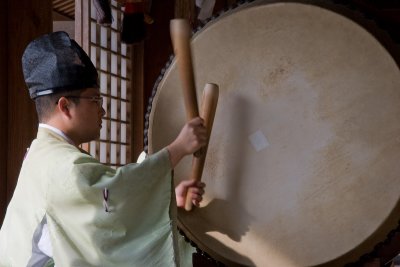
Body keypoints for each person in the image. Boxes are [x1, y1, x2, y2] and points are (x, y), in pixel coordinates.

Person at [0, 31, 206, 267]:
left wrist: (163, 196)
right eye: (95, 100)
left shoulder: (45, 153)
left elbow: (104, 206)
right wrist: (178, 149)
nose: (103, 112)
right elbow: (111, 194)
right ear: (65, 106)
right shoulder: (62, 167)